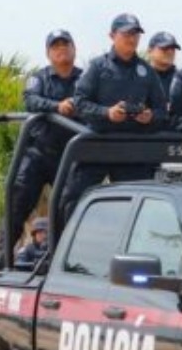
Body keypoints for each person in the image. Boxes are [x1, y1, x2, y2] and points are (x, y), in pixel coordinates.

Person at [60, 13, 167, 229]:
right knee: (71, 200)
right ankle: (58, 254)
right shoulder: (98, 67)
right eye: (127, 33)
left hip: (131, 147)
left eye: (136, 33)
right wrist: (107, 113)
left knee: (136, 208)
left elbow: (162, 111)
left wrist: (149, 116)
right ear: (112, 35)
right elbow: (80, 102)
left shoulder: (146, 71)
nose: (132, 38)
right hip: (97, 143)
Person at [0, 29, 83, 263]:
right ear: (48, 53)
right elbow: (31, 100)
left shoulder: (85, 79)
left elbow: (92, 102)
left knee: (69, 208)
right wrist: (58, 107)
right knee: (17, 204)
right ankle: (1, 255)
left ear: (74, 49)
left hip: (69, 156)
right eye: (55, 47)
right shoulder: (39, 78)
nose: (61, 50)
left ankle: (61, 260)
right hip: (38, 154)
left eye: (65, 45)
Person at [147, 31, 180, 100]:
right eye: (164, 48)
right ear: (150, 51)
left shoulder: (181, 79)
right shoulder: (139, 77)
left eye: (173, 48)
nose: (170, 52)